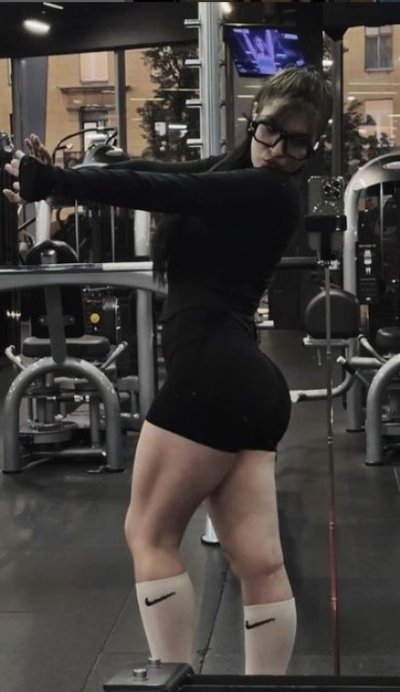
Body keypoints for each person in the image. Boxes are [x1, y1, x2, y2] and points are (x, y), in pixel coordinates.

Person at [3, 66, 332, 675]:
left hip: (214, 375)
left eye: (298, 143)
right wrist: (77, 170)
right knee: (259, 561)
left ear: (313, 145)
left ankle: (170, 680)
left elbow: (165, 192)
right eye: (271, 130)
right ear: (254, 116)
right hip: (248, 386)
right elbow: (159, 172)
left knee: (149, 535)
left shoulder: (269, 190)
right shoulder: (231, 168)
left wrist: (54, 181)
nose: (278, 151)